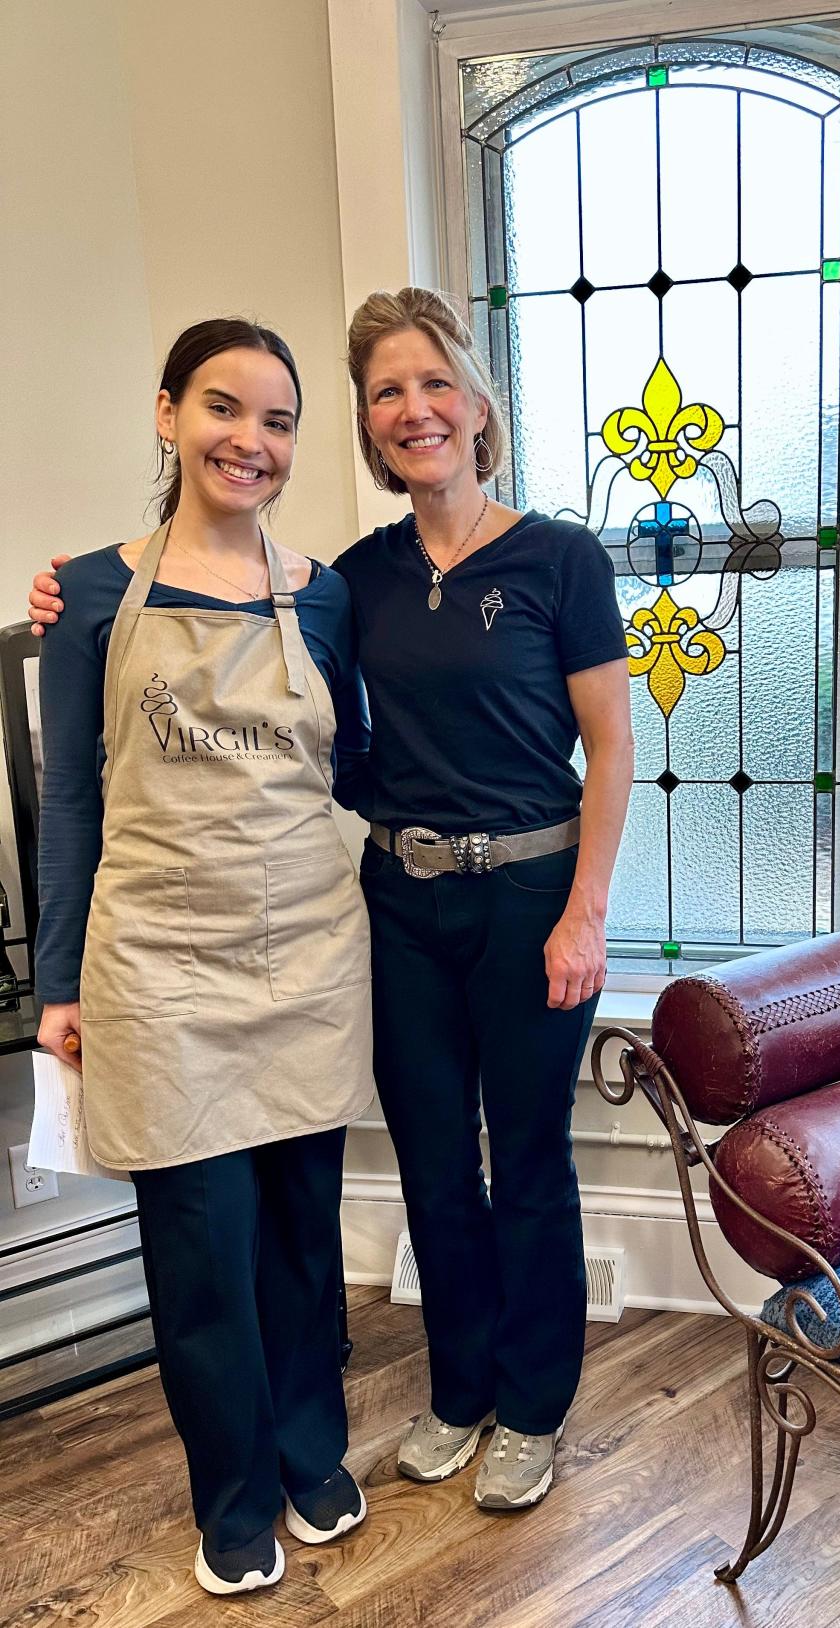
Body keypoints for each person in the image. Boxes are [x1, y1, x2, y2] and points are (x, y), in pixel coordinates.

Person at [30, 286, 633, 1514]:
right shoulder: (349, 580)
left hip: (531, 901)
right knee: (427, 1163)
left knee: (524, 1162)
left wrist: (586, 910)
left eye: (433, 383)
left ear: (477, 403)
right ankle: (458, 1392)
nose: (414, 409)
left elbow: (609, 748)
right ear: (367, 427)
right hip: (399, 908)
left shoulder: (560, 557)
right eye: (385, 394)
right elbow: (326, 747)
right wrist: (68, 603)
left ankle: (531, 1405)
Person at [32, 318, 375, 1595]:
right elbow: (73, 796)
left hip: (308, 958)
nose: (253, 439)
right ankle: (231, 1499)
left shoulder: (326, 591)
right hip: (159, 965)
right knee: (200, 1245)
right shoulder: (91, 593)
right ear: (167, 413)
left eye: (279, 420)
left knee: (298, 1228)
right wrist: (58, 983)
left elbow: (361, 761)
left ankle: (309, 1450)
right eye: (225, 409)